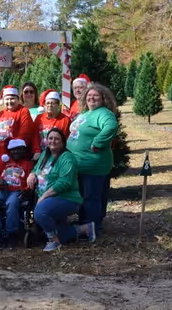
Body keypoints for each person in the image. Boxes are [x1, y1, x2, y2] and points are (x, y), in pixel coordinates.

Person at [28, 128, 96, 252]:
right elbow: (36, 169)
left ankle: (54, 241)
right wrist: (32, 174)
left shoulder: (67, 158)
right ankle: (84, 229)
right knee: (43, 231)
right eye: (50, 138)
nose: (52, 141)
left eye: (56, 139)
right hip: (49, 199)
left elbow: (64, 183)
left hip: (67, 198)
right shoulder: (45, 154)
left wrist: (43, 197)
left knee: (39, 212)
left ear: (63, 142)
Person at [67, 83, 118, 233]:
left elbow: (111, 126)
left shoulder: (104, 113)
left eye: (95, 95)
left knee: (91, 196)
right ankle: (85, 222)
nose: (92, 98)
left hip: (93, 165)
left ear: (103, 98)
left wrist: (98, 142)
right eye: (89, 96)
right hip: (79, 164)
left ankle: (93, 226)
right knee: (84, 195)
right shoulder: (85, 114)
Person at [0, 139, 34, 250]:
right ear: (9, 152)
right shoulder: (4, 163)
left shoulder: (28, 165)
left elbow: (31, 181)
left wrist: (26, 189)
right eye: (13, 150)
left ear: (24, 151)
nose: (16, 152)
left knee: (12, 203)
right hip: (1, 190)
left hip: (17, 191)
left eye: (19, 150)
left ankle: (11, 235)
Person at [0, 85, 34, 164]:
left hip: (15, 154)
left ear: (18, 99)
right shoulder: (0, 114)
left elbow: (25, 131)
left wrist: (14, 150)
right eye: (7, 99)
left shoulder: (23, 111)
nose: (9, 101)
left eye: (12, 98)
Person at [32, 89, 71, 161]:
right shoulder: (39, 118)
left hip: (57, 155)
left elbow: (66, 139)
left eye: (53, 103)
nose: (50, 105)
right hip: (41, 154)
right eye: (48, 103)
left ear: (58, 104)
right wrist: (36, 151)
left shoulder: (65, 119)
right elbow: (35, 137)